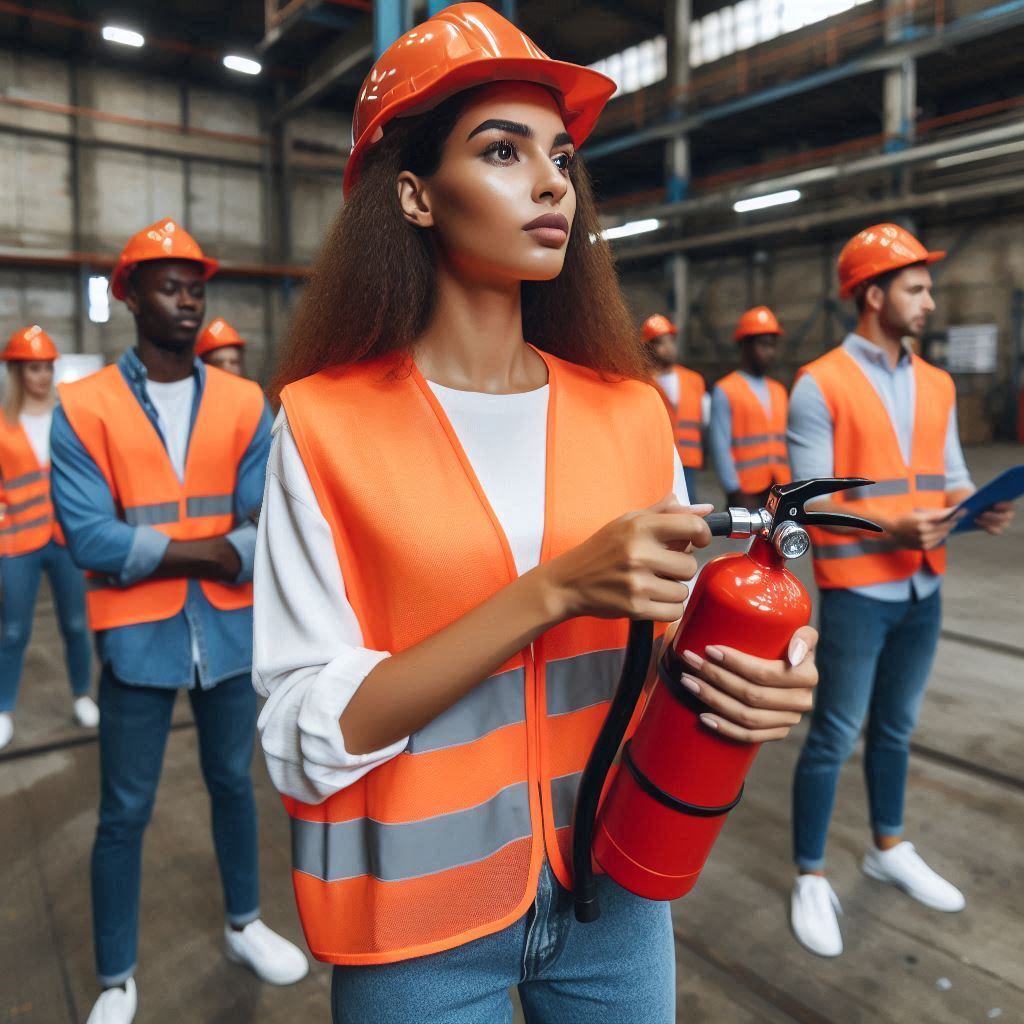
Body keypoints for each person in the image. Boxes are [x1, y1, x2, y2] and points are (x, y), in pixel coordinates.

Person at [253, 6, 819, 1022]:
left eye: (559, 155)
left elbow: (667, 652)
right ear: (418, 196)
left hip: (616, 890)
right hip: (418, 926)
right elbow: (300, 733)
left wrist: (751, 673)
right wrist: (550, 590)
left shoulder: (630, 413)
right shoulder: (322, 427)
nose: (553, 180)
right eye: (502, 150)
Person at [49, 218, 307, 1024]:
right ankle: (117, 978)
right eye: (170, 285)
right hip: (138, 639)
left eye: (197, 286)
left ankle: (244, 923)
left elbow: (269, 526)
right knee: (125, 809)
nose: (189, 299)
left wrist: (162, 548)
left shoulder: (242, 401)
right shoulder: (82, 407)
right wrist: (217, 553)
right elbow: (90, 536)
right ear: (129, 296)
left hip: (229, 636)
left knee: (235, 783)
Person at [786, 223, 1014, 958]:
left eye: (929, 287)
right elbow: (810, 504)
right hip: (859, 591)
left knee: (894, 730)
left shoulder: (938, 382)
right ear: (874, 294)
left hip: (925, 589)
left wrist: (977, 504)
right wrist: (895, 530)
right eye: (916, 288)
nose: (929, 300)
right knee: (833, 736)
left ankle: (888, 845)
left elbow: (948, 472)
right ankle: (810, 874)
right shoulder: (820, 384)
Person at [0, 326, 97, 751]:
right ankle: (3, 709)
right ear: (16, 373)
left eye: (45, 368)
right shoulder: (2, 425)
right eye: (30, 369)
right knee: (13, 630)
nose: (39, 377)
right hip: (15, 544)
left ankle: (81, 695)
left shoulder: (68, 418)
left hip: (65, 540)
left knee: (76, 625)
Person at [709, 306, 791, 509]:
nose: (770, 352)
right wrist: (733, 490)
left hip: (780, 487)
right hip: (746, 491)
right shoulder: (725, 389)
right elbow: (720, 446)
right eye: (763, 345)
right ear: (744, 345)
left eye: (773, 345)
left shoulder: (779, 390)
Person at [643, 314, 708, 502]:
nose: (668, 347)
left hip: (688, 458)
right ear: (648, 347)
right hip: (655, 460)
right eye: (660, 342)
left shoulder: (694, 380)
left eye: (670, 340)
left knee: (689, 505)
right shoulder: (641, 381)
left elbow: (704, 420)